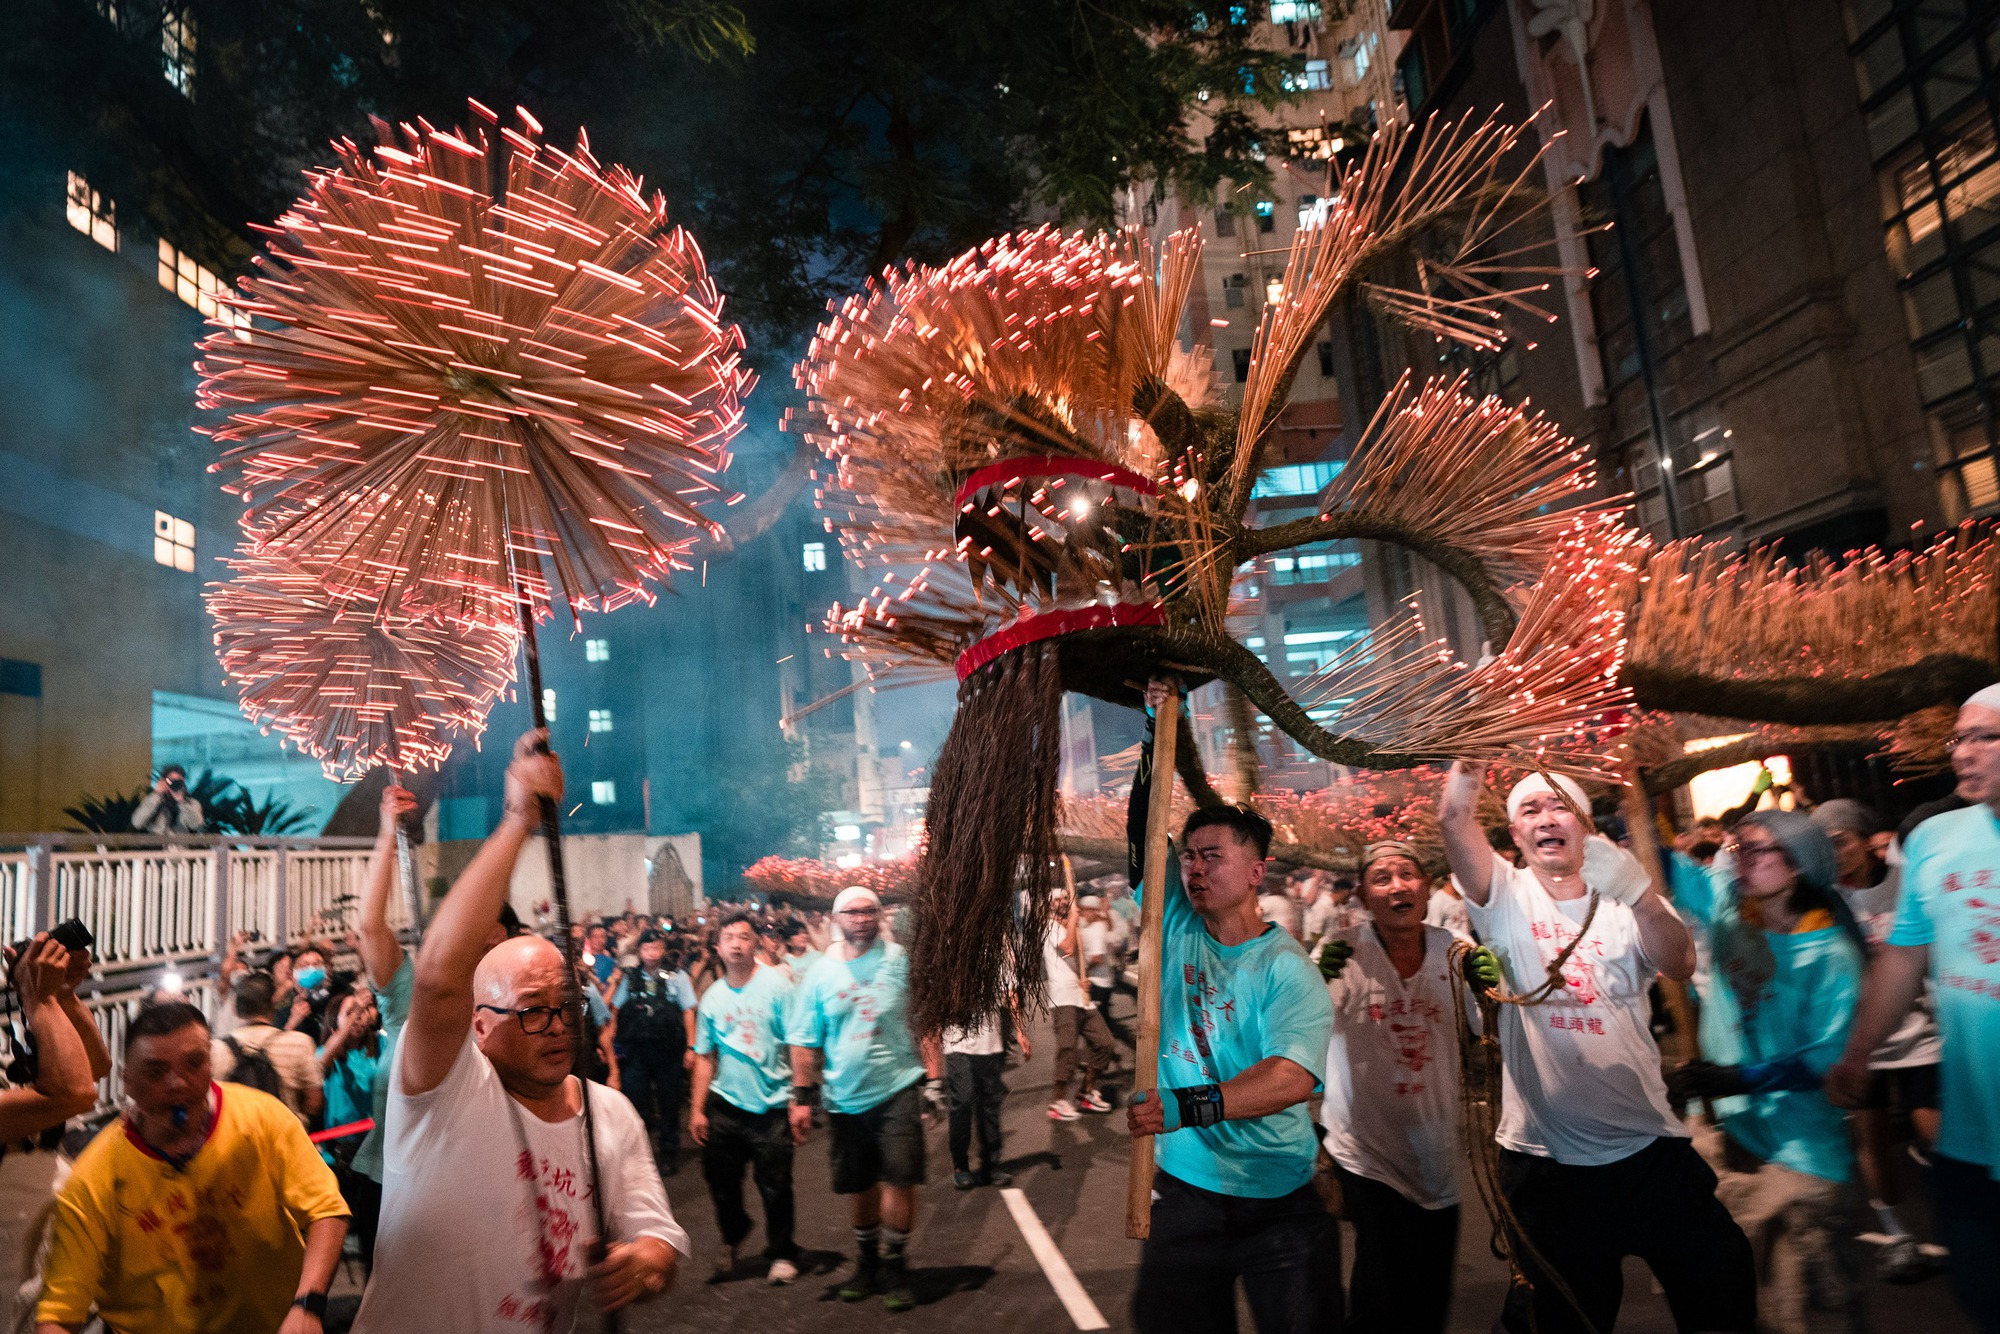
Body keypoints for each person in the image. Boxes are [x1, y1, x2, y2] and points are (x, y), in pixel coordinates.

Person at [353, 731, 687, 1331]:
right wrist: (517, 819)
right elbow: (433, 979)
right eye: (533, 1012)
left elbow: (658, 1238)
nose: (558, 1027)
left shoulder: (609, 1115)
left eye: (567, 1007)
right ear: (479, 1024)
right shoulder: (445, 1085)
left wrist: (647, 1262)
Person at [1439, 762, 1756, 1334]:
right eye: (1529, 811)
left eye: (1560, 806)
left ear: (1585, 824)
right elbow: (1453, 815)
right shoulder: (1503, 895)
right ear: (1514, 835)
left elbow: (1680, 964)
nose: (1545, 819)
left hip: (1647, 1147)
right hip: (1543, 1163)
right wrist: (1473, 746)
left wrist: (1639, 893)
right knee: (1556, 1318)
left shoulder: (1622, 897)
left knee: (1722, 1289)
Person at [1125, 680, 1339, 1334]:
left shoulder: (1288, 971)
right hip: (1185, 1191)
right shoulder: (1174, 926)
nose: (1194, 869)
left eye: (1212, 857)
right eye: (1189, 857)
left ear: (1255, 872)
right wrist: (1156, 721)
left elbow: (1290, 1078)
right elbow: (1144, 827)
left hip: (1279, 1200)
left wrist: (1188, 1106)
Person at [1828, 685, 2000, 1332]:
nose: (1964, 752)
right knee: (1983, 1297)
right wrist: (1859, 1050)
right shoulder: (1932, 839)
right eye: (1960, 738)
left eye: (1986, 737)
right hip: (1970, 1131)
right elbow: (1904, 959)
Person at [1664, 811, 1869, 1332]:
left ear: (1798, 866)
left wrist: (1739, 1079)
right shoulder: (1731, 912)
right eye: (1738, 849)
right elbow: (1663, 868)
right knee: (1732, 1305)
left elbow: (1827, 1057)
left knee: (1802, 1313)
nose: (1739, 859)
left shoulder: (1832, 954)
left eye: (1757, 851)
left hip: (1801, 1156)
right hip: (1729, 1141)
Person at [35, 1000, 348, 1334]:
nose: (178, 1084)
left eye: (194, 1063)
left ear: (211, 1063)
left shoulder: (262, 1119)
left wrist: (307, 1305)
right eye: (156, 1072)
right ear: (127, 1081)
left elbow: (326, 1210)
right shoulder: (94, 1179)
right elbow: (59, 1313)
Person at [1316, 841, 1496, 1334]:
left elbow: (1490, 1029)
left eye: (1407, 874)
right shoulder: (1342, 953)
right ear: (1362, 894)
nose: (1397, 886)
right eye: (1381, 877)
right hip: (1364, 1150)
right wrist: (1307, 987)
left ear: (1424, 885)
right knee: (1379, 1288)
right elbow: (1305, 1033)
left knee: (1429, 1291)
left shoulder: (1456, 951)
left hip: (1437, 1148)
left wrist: (1493, 990)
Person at [1814, 798, 1945, 1279]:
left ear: (1865, 839)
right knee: (1872, 1140)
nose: (1836, 853)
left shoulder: (1903, 882)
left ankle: (1968, 1219)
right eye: (1825, 846)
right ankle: (1897, 1237)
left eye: (1841, 841)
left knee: (1938, 1135)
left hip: (1920, 1033)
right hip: (1859, 1043)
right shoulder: (1825, 901)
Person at [787, 885, 929, 1312]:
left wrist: (936, 1082)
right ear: (836, 920)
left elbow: (926, 1021)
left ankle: (895, 1264)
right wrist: (801, 1099)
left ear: (880, 915)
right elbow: (804, 1043)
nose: (862, 919)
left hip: (897, 1087)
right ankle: (867, 1263)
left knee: (900, 1178)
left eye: (869, 912)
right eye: (852, 913)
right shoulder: (819, 974)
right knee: (860, 1185)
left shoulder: (900, 962)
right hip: (845, 1099)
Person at [0, 935, 109, 1332]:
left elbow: (94, 1065)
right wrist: (39, 998)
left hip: (57, 1260)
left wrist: (62, 996)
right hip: (14, 1287)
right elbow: (75, 1093)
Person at [689, 911, 800, 1285]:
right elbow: (705, 1057)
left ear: (756, 943)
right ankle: (735, 1231)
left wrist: (801, 1097)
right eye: (729, 937)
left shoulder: (779, 986)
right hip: (725, 1104)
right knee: (719, 1179)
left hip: (771, 1104)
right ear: (718, 947)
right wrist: (697, 1110)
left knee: (776, 1182)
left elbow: (798, 1042)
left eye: (745, 936)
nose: (737, 943)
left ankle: (782, 1252)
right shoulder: (712, 999)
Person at [613, 929, 699, 1173]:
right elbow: (617, 1010)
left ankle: (669, 1151)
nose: (651, 953)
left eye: (656, 948)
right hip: (637, 1050)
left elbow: (688, 1011)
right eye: (646, 948)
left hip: (668, 1049)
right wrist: (615, 1045)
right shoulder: (631, 978)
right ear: (639, 951)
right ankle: (637, 1153)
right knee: (635, 1102)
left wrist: (691, 1047)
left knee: (669, 1102)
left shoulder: (677, 976)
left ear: (663, 949)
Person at [213, 970, 324, 1126]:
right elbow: (314, 1102)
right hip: (286, 1141)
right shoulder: (299, 1043)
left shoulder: (216, 1050)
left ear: (234, 1009)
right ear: (273, 1005)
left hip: (238, 1144)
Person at [945, 992, 1026, 1190]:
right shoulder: (949, 962)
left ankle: (990, 1165)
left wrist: (1020, 1031)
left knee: (989, 1105)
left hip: (990, 1042)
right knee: (963, 1100)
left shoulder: (998, 961)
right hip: (957, 1042)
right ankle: (961, 1167)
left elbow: (1011, 993)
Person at [1046, 889, 1115, 1121]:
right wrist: (1075, 917)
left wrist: (1083, 977)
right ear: (1048, 905)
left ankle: (1085, 1092)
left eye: (1065, 898)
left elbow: (1077, 959)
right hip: (1063, 997)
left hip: (1080, 995)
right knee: (1068, 1049)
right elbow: (1067, 948)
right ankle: (1058, 1102)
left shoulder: (1069, 925)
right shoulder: (1048, 927)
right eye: (1057, 899)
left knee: (1104, 1042)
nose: (1063, 902)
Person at [132, 763, 205, 834]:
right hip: (156, 845)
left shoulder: (191, 803)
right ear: (163, 781)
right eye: (171, 780)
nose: (174, 784)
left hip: (181, 845)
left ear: (183, 782)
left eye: (178, 781)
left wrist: (182, 801)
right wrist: (156, 794)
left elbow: (197, 825)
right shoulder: (154, 800)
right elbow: (137, 823)